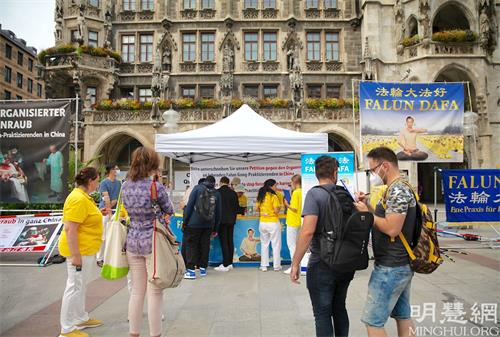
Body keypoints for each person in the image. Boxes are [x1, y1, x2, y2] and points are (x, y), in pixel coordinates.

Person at [354, 147, 416, 337]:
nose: (372, 174)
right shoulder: (399, 187)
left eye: (373, 169)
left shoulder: (397, 190)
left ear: (385, 166)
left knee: (373, 322)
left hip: (391, 266)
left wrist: (367, 213)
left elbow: (392, 228)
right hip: (400, 263)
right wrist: (370, 206)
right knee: (403, 315)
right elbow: (388, 217)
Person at [290, 156, 355, 337]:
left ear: (316, 173)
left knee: (322, 313)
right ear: (335, 172)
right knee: (339, 307)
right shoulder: (346, 194)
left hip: (322, 263)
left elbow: (308, 231)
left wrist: (295, 262)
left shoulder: (314, 194)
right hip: (345, 261)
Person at [121, 147, 174, 337]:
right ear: (152, 164)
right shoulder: (155, 186)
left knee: (137, 291)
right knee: (155, 291)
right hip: (153, 241)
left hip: (133, 240)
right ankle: (155, 334)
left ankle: (134, 333)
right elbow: (169, 209)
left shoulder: (125, 185)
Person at [58, 167, 106, 337]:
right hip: (79, 251)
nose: (99, 183)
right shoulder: (78, 199)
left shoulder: (83, 197)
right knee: (74, 287)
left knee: (80, 286)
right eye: (98, 180)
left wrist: (99, 214)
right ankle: (67, 329)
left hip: (86, 249)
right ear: (91, 181)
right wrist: (76, 255)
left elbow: (84, 219)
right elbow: (70, 229)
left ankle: (79, 317)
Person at [183, 175, 221, 279]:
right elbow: (218, 213)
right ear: (214, 183)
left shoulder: (197, 189)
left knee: (191, 245)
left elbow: (189, 206)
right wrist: (215, 228)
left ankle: (190, 270)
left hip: (194, 223)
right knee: (205, 245)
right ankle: (203, 268)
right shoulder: (217, 193)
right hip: (208, 224)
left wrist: (185, 221)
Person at [96, 164, 122, 267]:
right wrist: (110, 213)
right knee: (103, 236)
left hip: (115, 212)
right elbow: (106, 199)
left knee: (113, 236)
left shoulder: (119, 183)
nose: (117, 170)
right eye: (115, 169)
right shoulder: (104, 183)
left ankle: (109, 258)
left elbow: (118, 199)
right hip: (105, 213)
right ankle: (99, 258)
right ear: (110, 171)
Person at [256, 179, 282, 272]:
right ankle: (276, 266)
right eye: (275, 186)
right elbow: (276, 210)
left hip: (262, 223)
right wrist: (278, 208)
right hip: (273, 222)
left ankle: (263, 266)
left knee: (264, 244)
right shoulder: (273, 196)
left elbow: (257, 209)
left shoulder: (261, 196)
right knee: (276, 244)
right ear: (271, 186)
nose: (276, 188)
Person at [215, 176, 240, 272]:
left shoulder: (217, 192)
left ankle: (225, 264)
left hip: (221, 221)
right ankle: (230, 263)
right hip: (231, 220)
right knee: (230, 241)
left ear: (220, 182)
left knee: (224, 242)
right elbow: (237, 208)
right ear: (228, 183)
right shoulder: (233, 193)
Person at [180, 178, 206, 264]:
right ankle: (197, 264)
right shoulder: (206, 191)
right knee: (198, 242)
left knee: (188, 242)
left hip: (189, 217)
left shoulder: (190, 190)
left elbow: (183, 205)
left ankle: (186, 262)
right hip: (200, 219)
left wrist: (185, 221)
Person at [284, 174, 302, 275]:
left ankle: (294, 266)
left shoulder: (296, 193)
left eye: (291, 182)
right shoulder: (302, 191)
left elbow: (294, 208)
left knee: (291, 245)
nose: (291, 184)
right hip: (299, 220)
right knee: (297, 245)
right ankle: (297, 265)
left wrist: (286, 204)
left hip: (292, 221)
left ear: (295, 182)